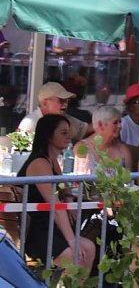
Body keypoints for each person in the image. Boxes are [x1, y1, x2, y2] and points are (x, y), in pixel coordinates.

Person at [17, 114, 96, 271]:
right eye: (63, 133)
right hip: (34, 231)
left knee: (89, 248)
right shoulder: (40, 163)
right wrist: (72, 241)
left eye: (69, 132)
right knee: (78, 257)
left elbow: (64, 189)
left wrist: (69, 200)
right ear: (49, 135)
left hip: (49, 226)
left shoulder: (51, 160)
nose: (69, 137)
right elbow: (55, 204)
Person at [17, 81, 92, 143]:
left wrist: (101, 123)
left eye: (67, 100)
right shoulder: (30, 123)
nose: (65, 104)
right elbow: (21, 153)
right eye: (61, 100)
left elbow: (85, 129)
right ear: (44, 103)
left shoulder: (65, 119)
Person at [74, 106, 132, 175]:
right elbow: (78, 179)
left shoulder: (123, 149)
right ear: (100, 124)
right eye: (115, 122)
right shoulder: (82, 147)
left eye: (120, 122)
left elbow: (129, 180)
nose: (120, 126)